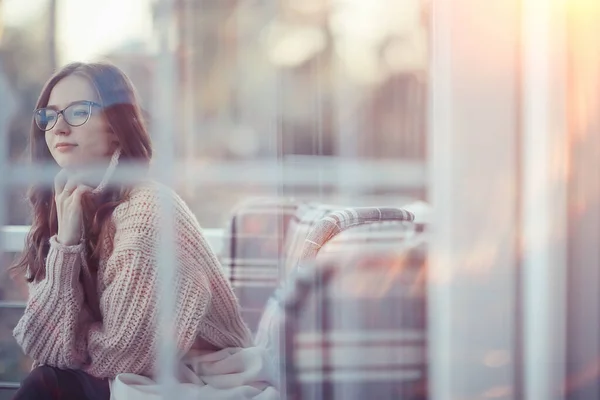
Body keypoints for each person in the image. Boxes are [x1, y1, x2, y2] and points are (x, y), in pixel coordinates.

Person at [9, 62, 278, 400]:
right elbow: (44, 342)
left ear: (116, 127)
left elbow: (125, 355)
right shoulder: (67, 208)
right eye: (49, 115)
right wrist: (66, 244)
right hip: (136, 378)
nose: (59, 127)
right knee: (46, 381)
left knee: (46, 383)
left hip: (204, 379)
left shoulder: (147, 210)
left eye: (78, 112)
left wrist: (72, 340)